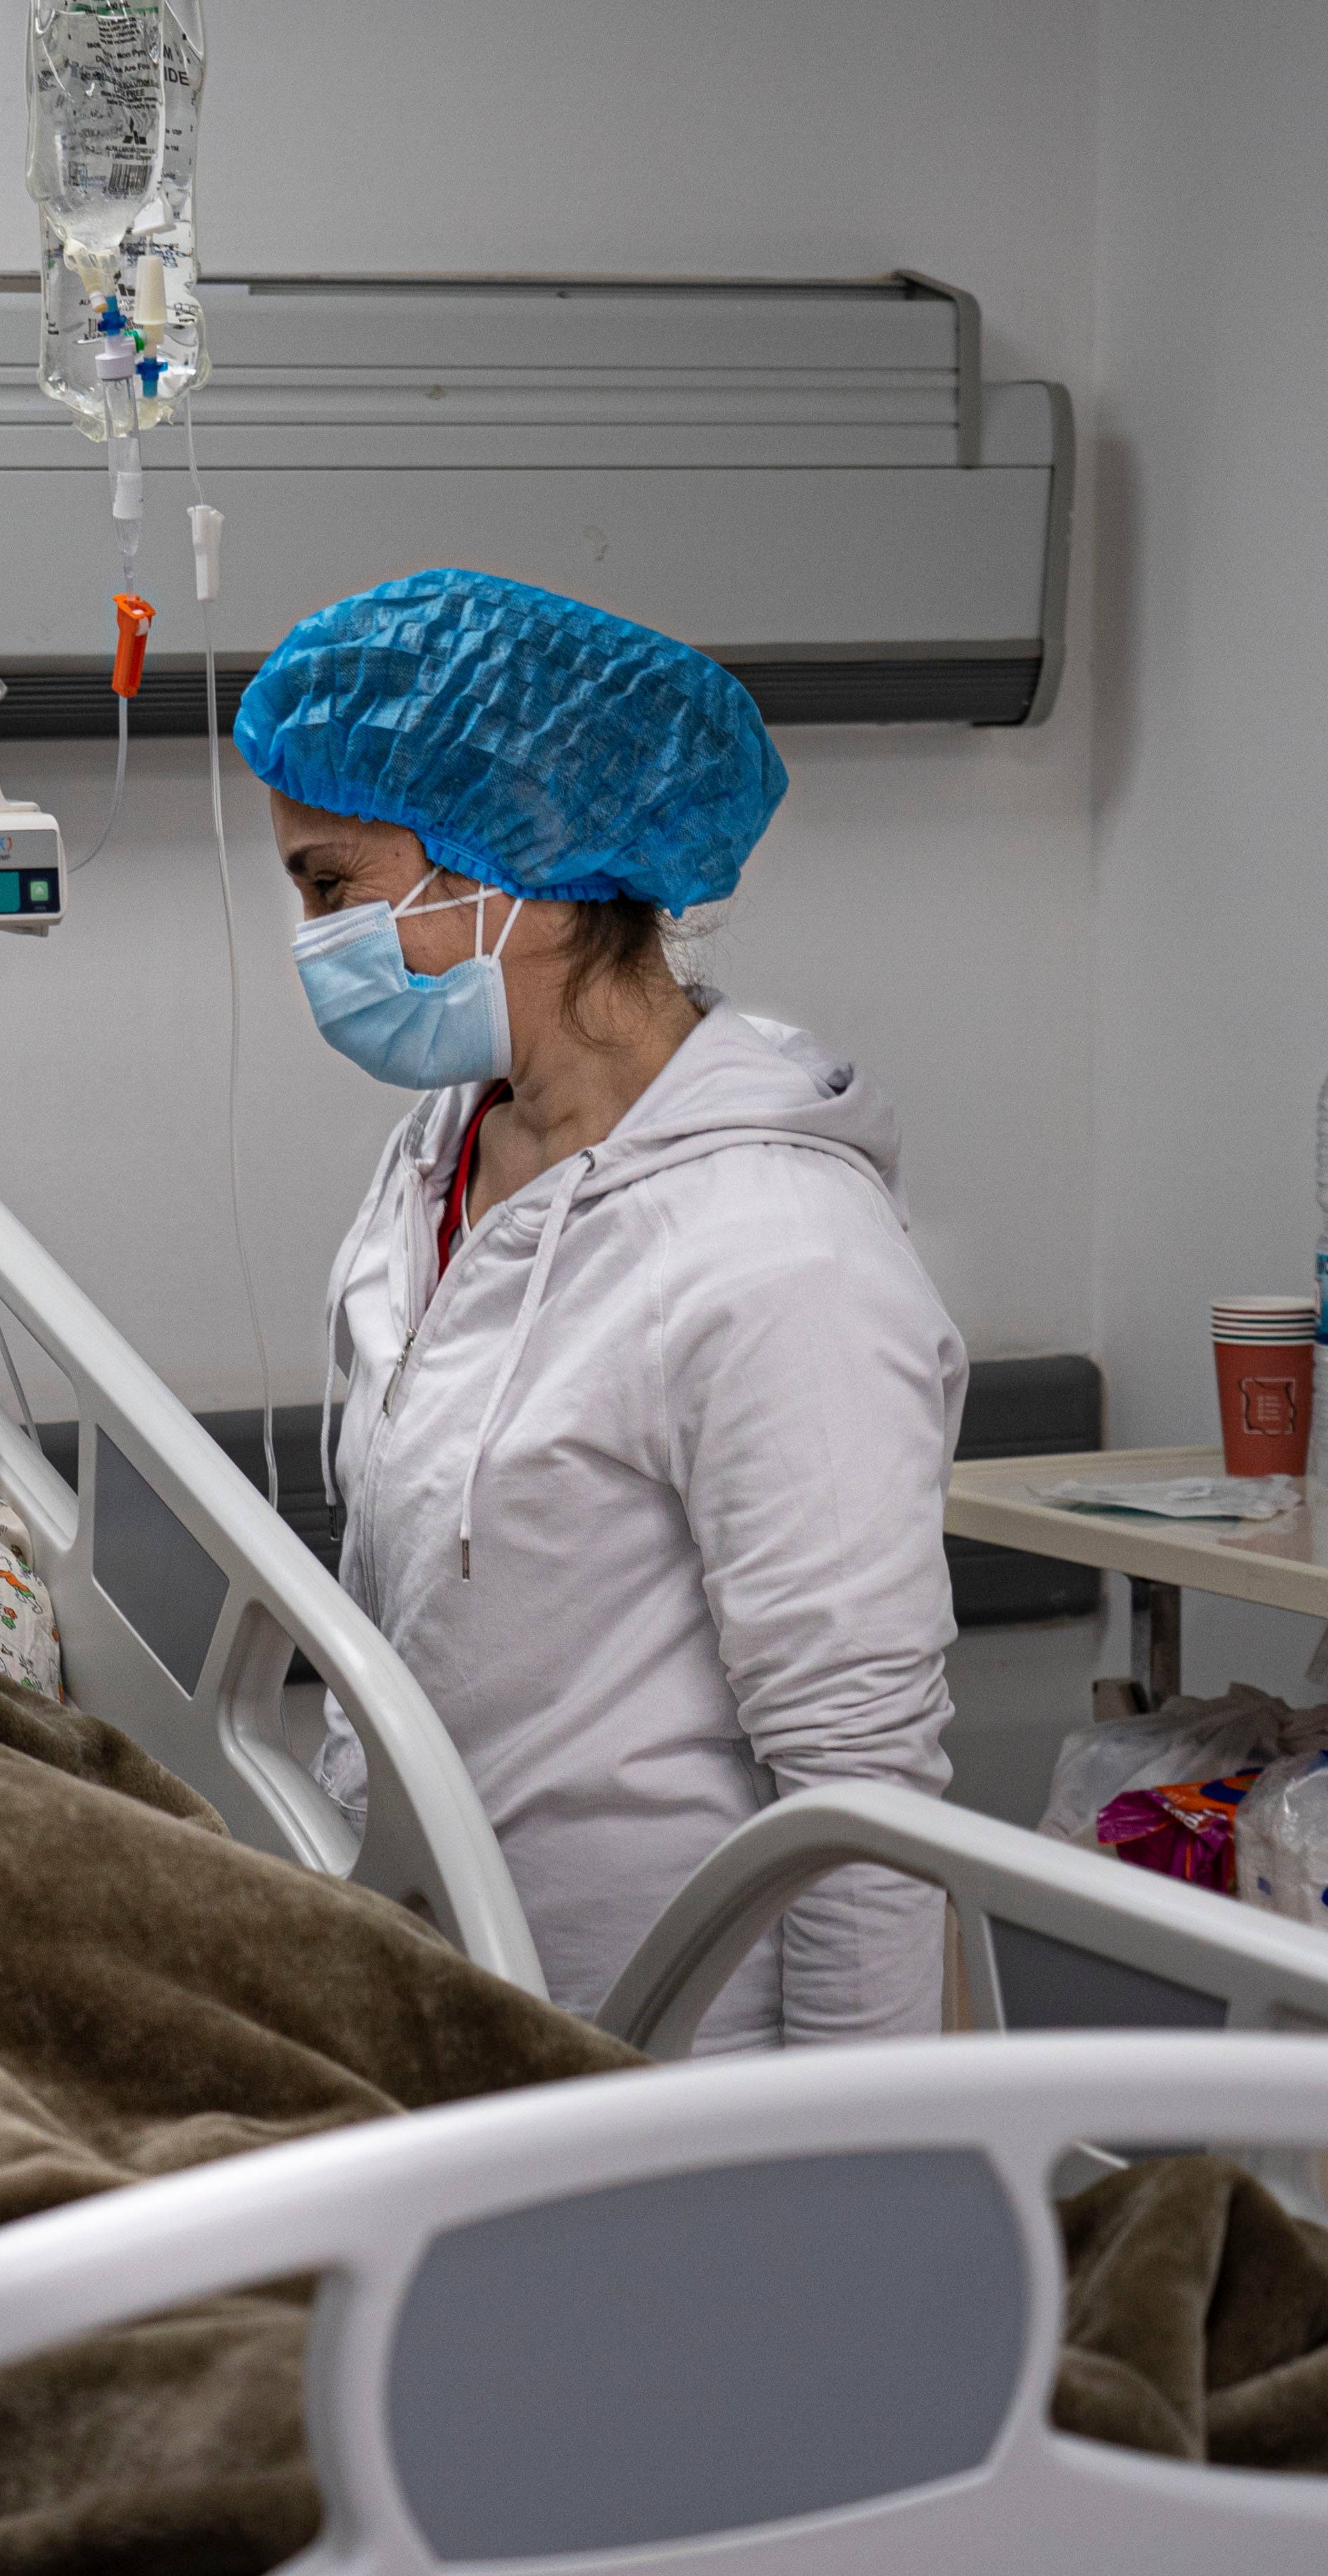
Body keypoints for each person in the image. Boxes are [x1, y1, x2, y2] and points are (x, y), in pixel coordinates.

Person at [234, 569, 968, 2055]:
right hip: (444, 1995)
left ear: (515, 864)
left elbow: (862, 1789)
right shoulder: (449, 1148)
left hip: (667, 2051)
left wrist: (847, 2173)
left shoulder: (780, 1256)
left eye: (331, 887)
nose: (311, 940)